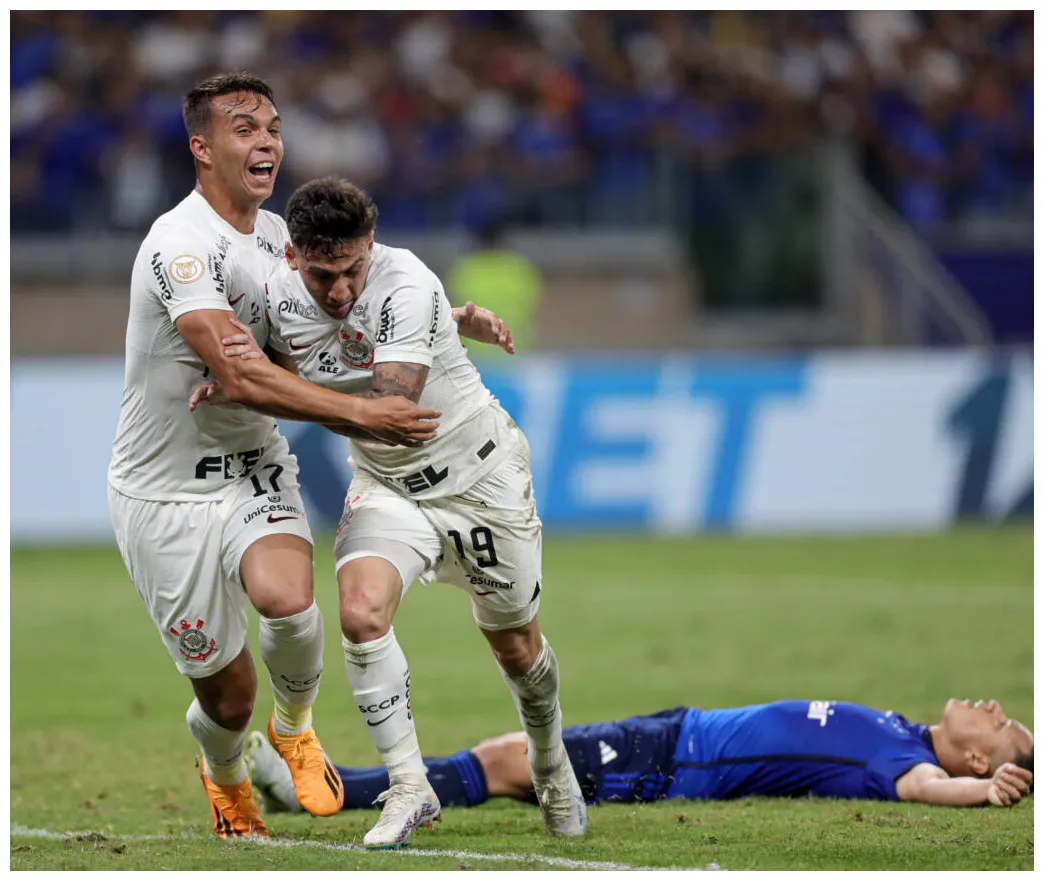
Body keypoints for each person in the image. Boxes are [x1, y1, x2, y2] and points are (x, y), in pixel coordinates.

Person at [192, 176, 587, 850]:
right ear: (293, 258)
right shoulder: (278, 295)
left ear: (371, 245)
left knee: (518, 647)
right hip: (386, 487)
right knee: (360, 611)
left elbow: (393, 411)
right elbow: (281, 356)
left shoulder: (406, 282)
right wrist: (246, 376)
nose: (341, 289)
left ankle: (549, 760)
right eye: (323, 274)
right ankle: (410, 786)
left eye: (352, 269)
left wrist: (252, 387)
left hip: (479, 481)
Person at [106, 72, 444, 842]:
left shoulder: (275, 238)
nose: (267, 142)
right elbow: (237, 368)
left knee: (290, 602)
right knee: (227, 698)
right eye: (245, 128)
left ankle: (293, 728)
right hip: (164, 493)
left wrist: (441, 321)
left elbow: (326, 327)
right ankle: (227, 779)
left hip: (255, 461)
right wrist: (364, 412)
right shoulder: (179, 246)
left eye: (273, 127)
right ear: (202, 147)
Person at [244, 697, 1033, 814]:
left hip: (671, 764)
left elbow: (928, 788)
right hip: (678, 727)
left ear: (977, 761)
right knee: (507, 757)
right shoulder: (902, 729)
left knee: (503, 760)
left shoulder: (902, 766)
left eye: (1004, 729)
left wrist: (984, 793)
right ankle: (326, 785)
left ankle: (323, 790)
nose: (996, 709)